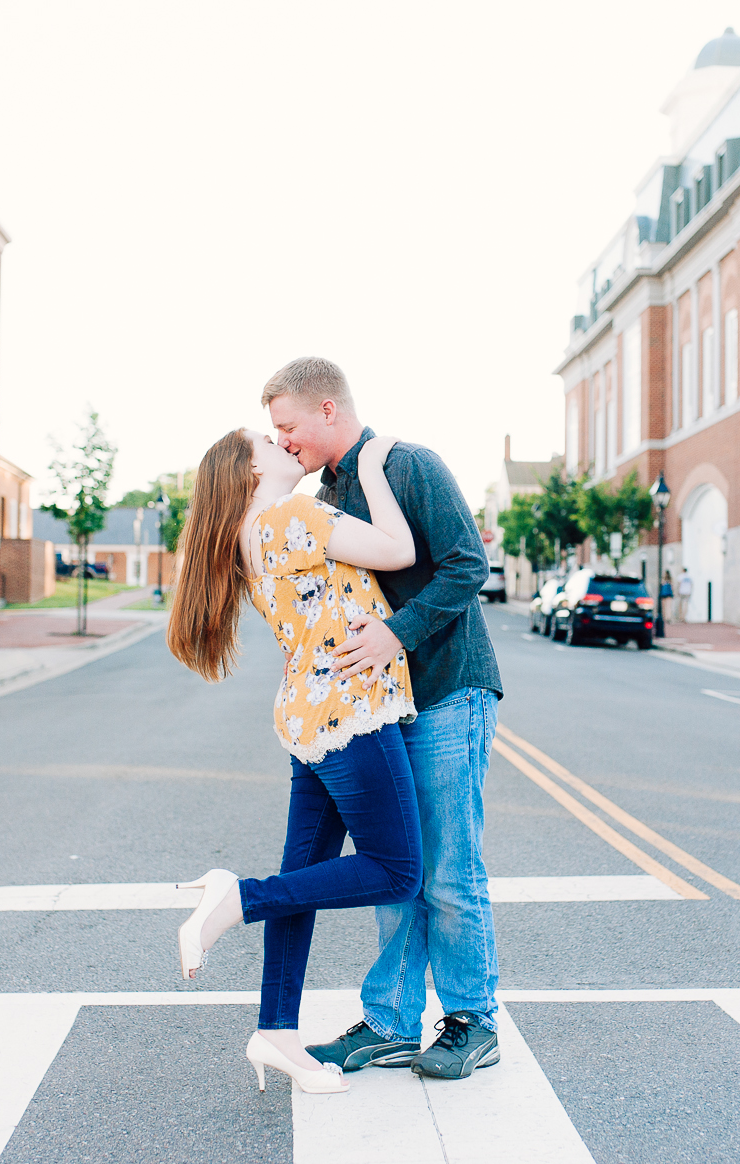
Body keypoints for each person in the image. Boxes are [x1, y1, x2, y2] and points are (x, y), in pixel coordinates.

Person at [264, 356, 505, 1081]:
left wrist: (397, 632)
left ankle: (472, 1020)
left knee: (449, 871)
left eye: (289, 426)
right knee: (396, 874)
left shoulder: (411, 466)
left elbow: (466, 566)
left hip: (447, 691)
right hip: (378, 709)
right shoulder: (326, 490)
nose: (282, 444)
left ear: (328, 409)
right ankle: (391, 1023)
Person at [166, 427, 422, 1096]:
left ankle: (276, 1030)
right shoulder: (293, 515)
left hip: (309, 715)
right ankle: (238, 899)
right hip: (352, 708)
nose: (284, 442)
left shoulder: (250, 533)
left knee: (303, 878)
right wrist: (370, 463)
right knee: (397, 872)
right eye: (267, 441)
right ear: (252, 469)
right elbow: (399, 550)